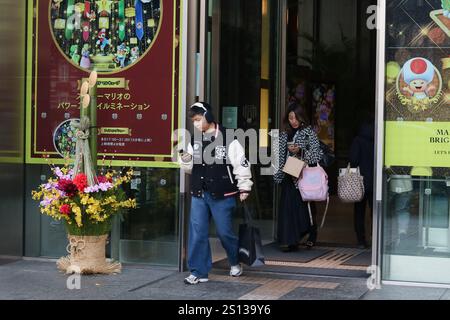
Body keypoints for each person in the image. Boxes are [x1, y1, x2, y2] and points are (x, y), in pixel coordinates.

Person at [179, 102, 253, 285]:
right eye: (193, 121)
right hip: (199, 193)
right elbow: (188, 169)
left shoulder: (229, 137)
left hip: (223, 193)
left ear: (208, 116)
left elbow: (241, 163)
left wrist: (244, 187)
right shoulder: (194, 140)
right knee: (198, 233)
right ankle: (198, 271)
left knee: (224, 232)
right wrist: (185, 160)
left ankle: (235, 261)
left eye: (198, 120)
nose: (196, 124)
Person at [274, 104, 323, 251]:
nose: (293, 121)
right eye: (290, 118)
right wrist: (277, 175)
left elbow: (317, 154)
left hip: (302, 176)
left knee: (304, 209)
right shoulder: (284, 134)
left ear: (301, 118)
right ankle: (291, 241)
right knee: (288, 210)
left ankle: (309, 234)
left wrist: (300, 150)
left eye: (296, 117)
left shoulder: (309, 133)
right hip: (288, 175)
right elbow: (278, 156)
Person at [349, 117, 375, 249]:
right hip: (375, 181)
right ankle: (375, 238)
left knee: (359, 211)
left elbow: (353, 160)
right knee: (375, 211)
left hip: (360, 181)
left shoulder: (358, 140)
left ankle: (361, 240)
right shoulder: (378, 139)